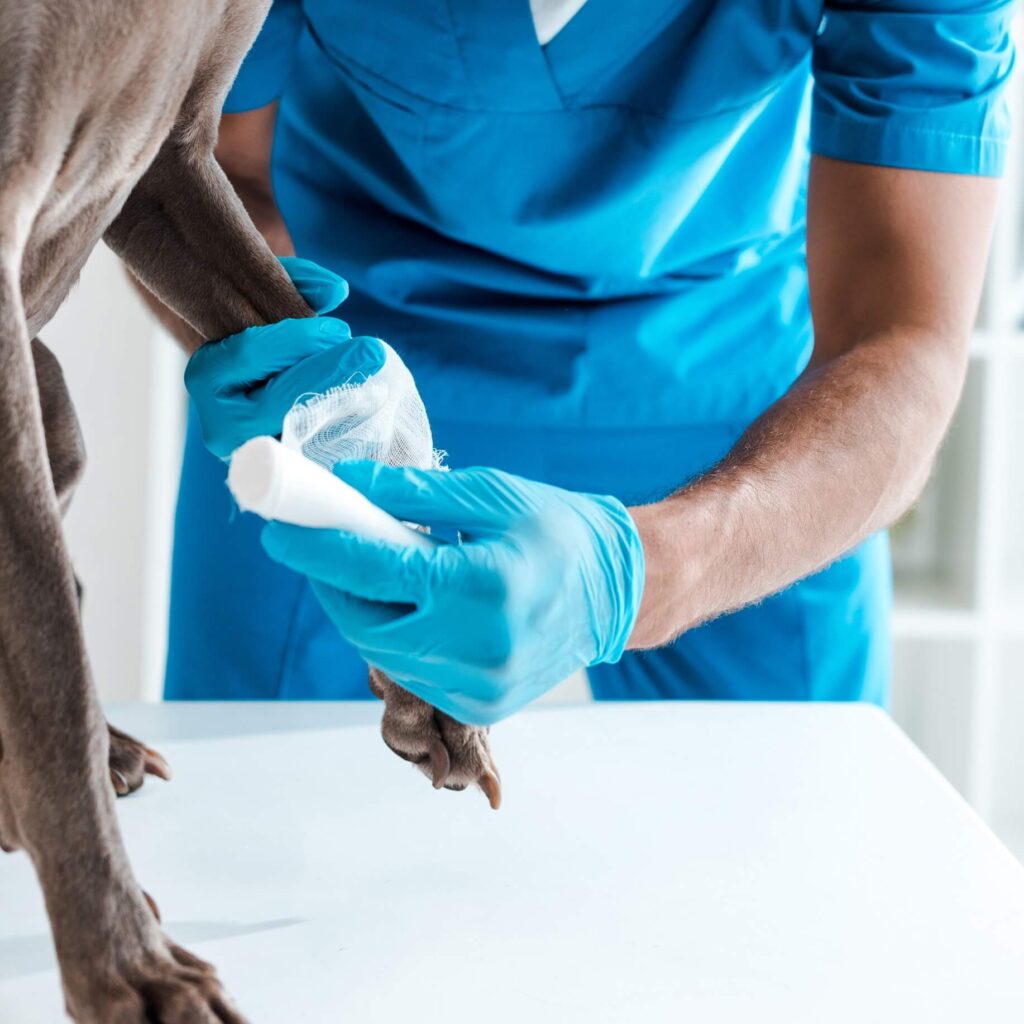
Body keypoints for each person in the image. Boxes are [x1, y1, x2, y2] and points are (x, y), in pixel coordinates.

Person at [160, 0, 1013, 721]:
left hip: (747, 409)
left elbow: (901, 336)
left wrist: (644, 576)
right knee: (257, 833)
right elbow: (202, 166)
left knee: (791, 845)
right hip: (350, 383)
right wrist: (262, 342)